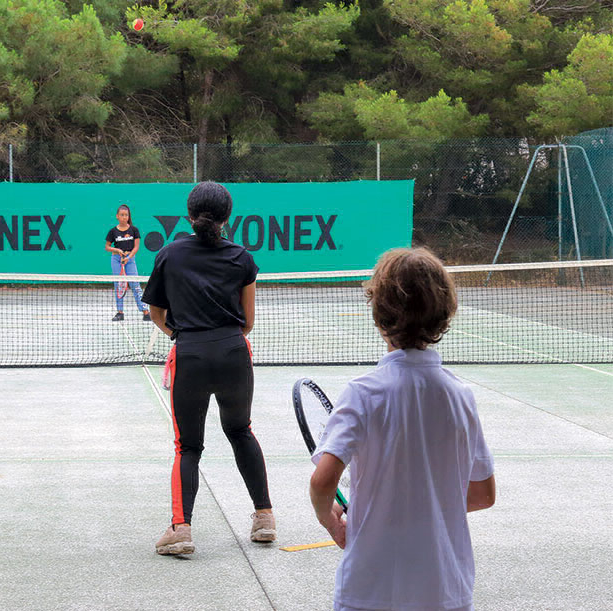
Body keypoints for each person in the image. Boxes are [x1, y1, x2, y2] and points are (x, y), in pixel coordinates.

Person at [309, 247, 496, 611]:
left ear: (379, 317)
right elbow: (483, 495)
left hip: (369, 589)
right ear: (443, 316)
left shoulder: (363, 393)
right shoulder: (461, 396)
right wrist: (426, 509)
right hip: (446, 590)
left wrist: (329, 519)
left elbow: (322, 481)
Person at [142, 181, 274, 555]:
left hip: (190, 356)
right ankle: (265, 518)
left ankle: (181, 530)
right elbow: (248, 322)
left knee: (188, 447)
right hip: (235, 354)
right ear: (227, 217)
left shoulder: (169, 255)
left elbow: (156, 313)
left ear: (189, 215)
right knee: (240, 430)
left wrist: (181, 335)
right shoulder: (243, 258)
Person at [104, 204, 151, 322]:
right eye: (122, 215)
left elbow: (136, 248)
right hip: (116, 259)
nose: (124, 217)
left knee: (135, 285)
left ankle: (145, 312)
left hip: (130, 260)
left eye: (126, 215)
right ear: (117, 216)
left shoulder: (134, 230)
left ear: (128, 216)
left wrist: (129, 257)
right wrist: (117, 250)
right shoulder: (112, 231)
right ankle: (120, 313)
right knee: (119, 286)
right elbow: (107, 247)